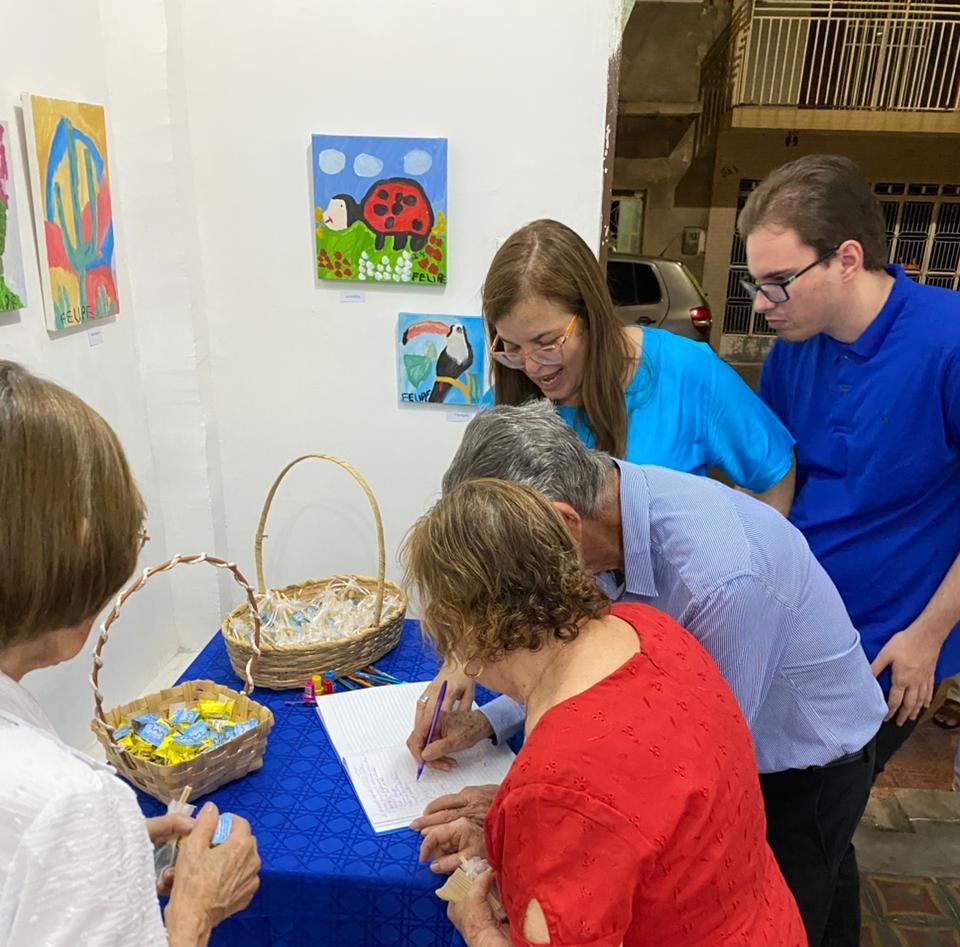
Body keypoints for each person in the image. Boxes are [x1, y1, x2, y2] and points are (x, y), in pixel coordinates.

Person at [407, 400, 887, 947]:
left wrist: (528, 820)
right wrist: (492, 729)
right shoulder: (637, 618)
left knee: (812, 889)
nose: (471, 661)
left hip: (807, 761)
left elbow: (670, 764)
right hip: (737, 855)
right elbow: (577, 659)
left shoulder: (718, 581)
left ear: (561, 525)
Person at [0, 361, 260, 947]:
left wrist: (108, 852)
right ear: (80, 545)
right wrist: (197, 909)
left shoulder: (65, 813)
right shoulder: (70, 803)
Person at [740, 155, 960, 775]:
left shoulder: (946, 339)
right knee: (800, 822)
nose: (761, 304)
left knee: (809, 823)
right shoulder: (793, 350)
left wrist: (929, 636)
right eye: (754, 283)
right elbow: (779, 485)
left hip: (892, 643)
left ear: (847, 259)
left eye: (777, 281)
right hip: (805, 627)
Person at [482, 218, 797, 513]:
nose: (532, 366)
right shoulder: (502, 405)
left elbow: (773, 472)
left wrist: (749, 563)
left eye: (546, 343)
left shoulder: (686, 373)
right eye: (511, 347)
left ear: (592, 317)